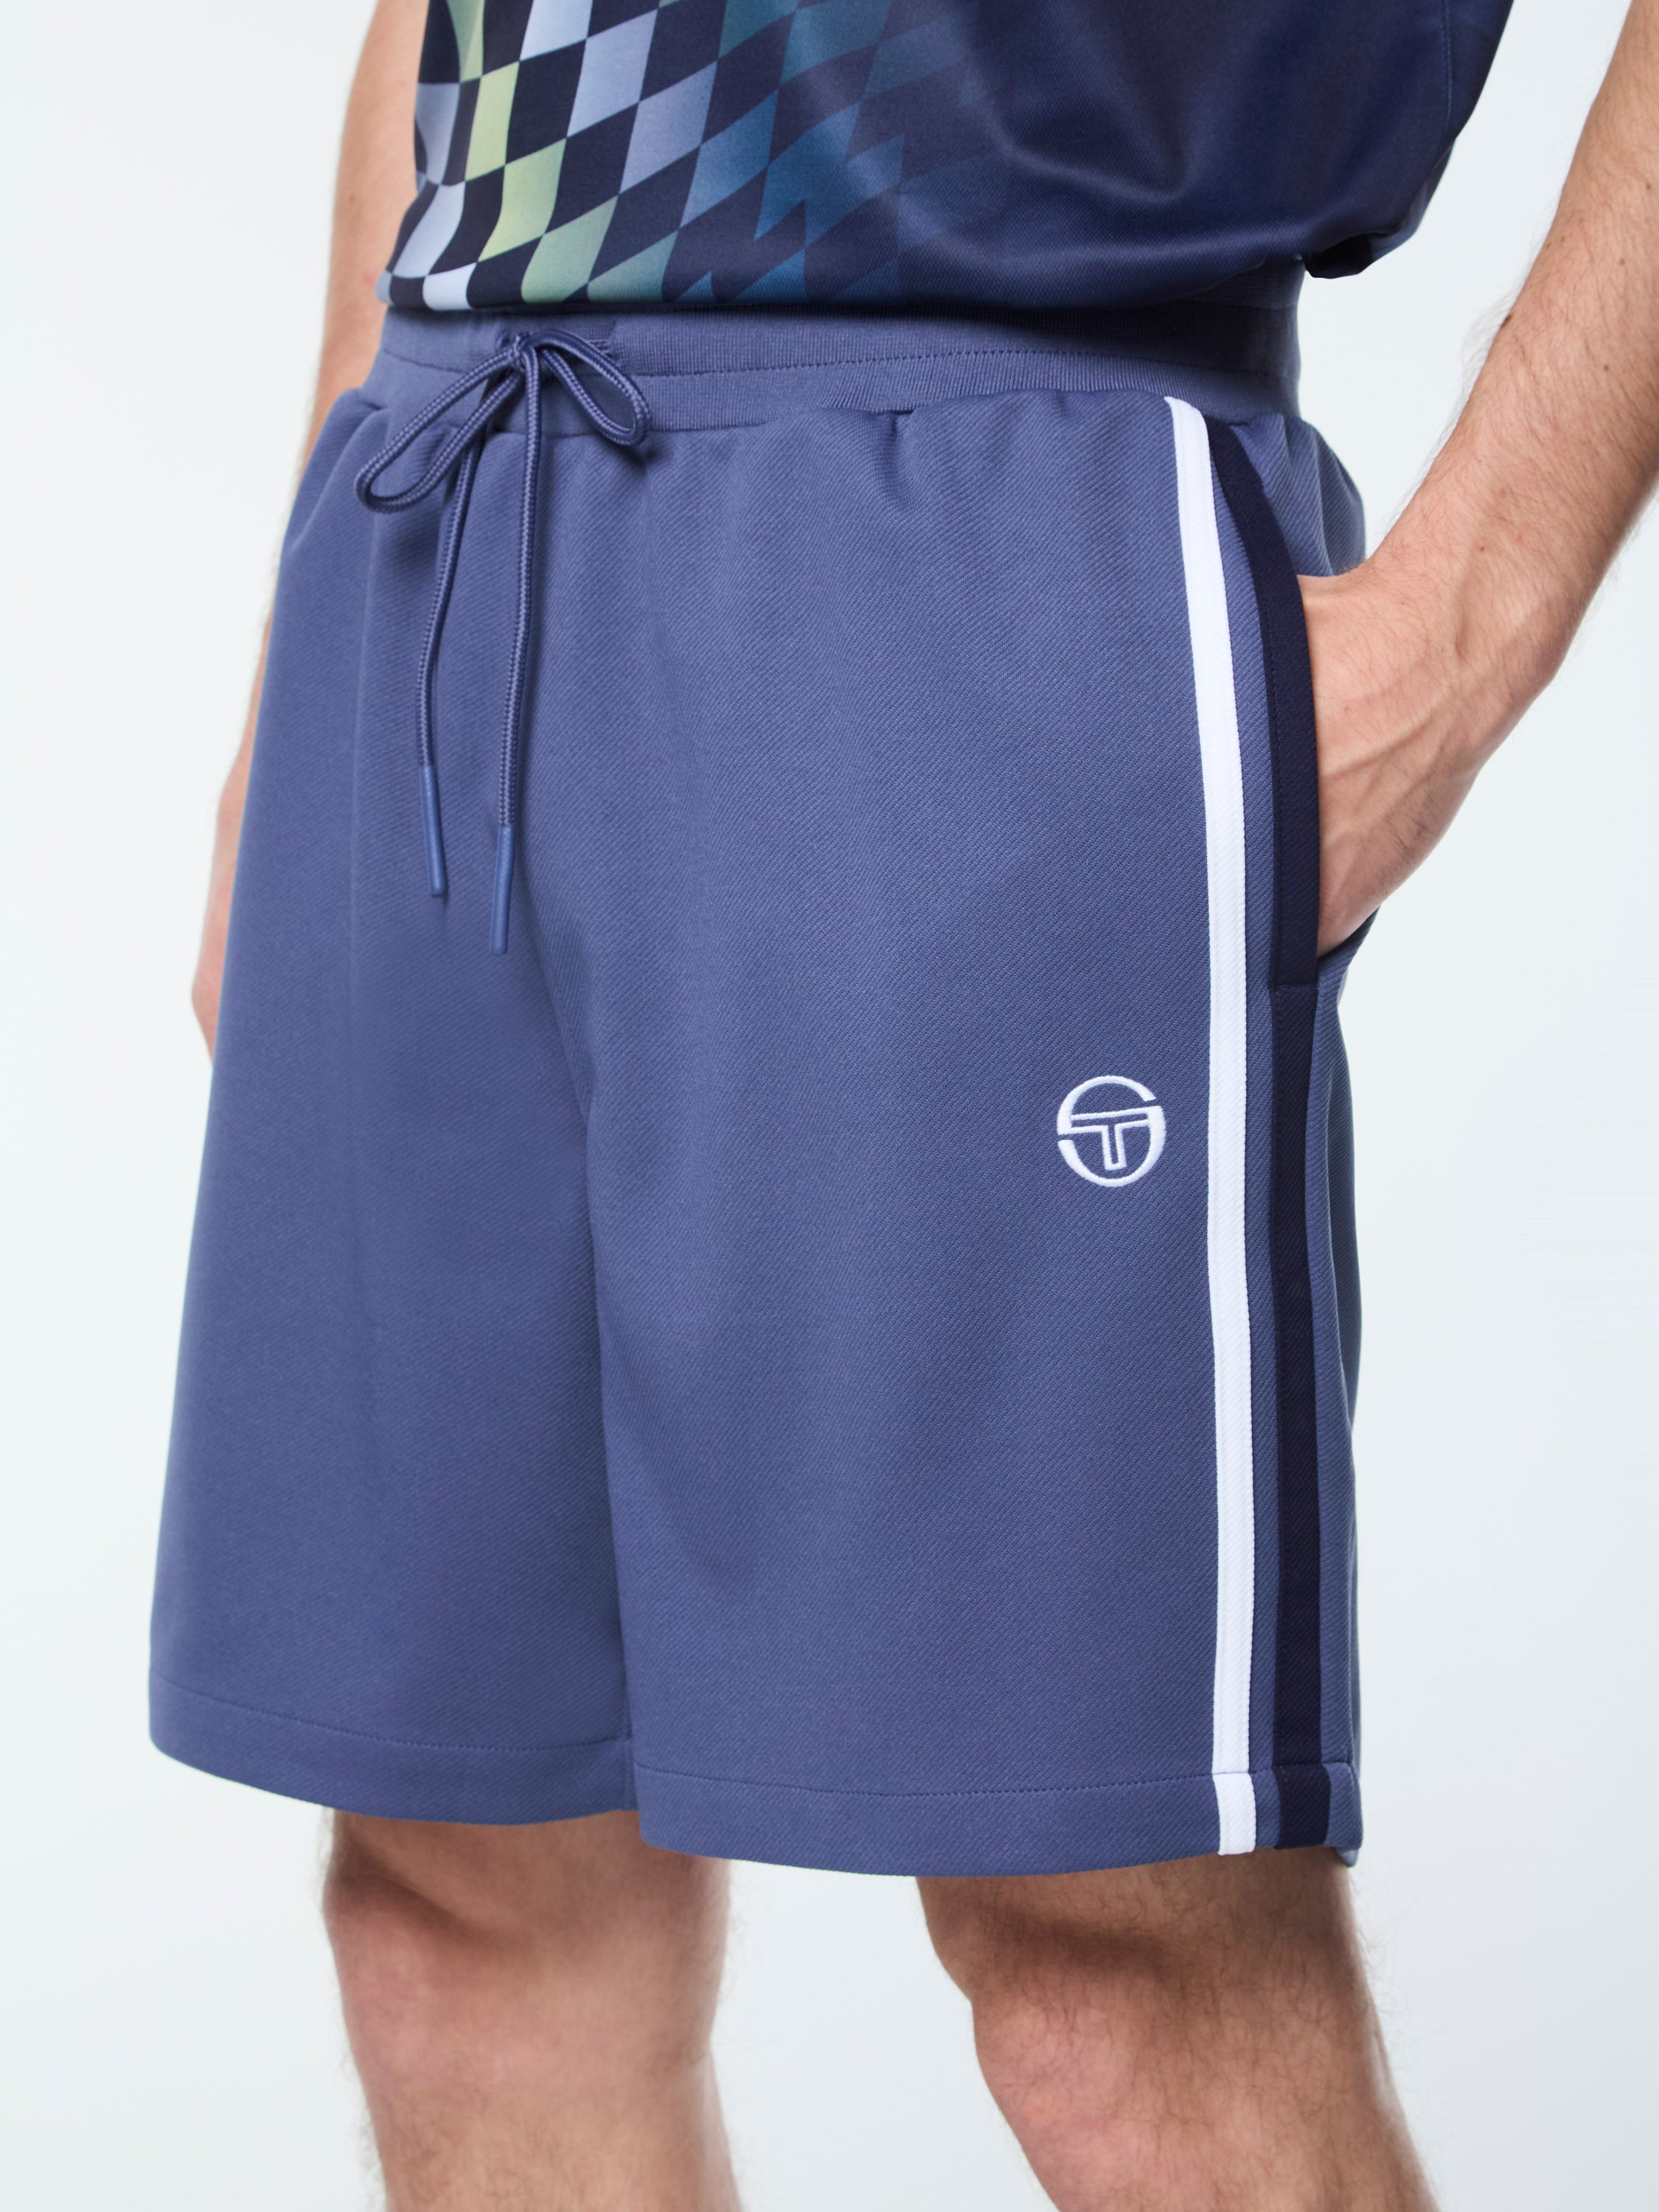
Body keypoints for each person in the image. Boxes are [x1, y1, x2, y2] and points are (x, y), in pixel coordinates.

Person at [150, 1, 1658, 2203]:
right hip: (448, 497)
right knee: (456, 1892)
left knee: (1108, 1946)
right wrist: (307, 637)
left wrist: (1459, 628)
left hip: (992, 494)